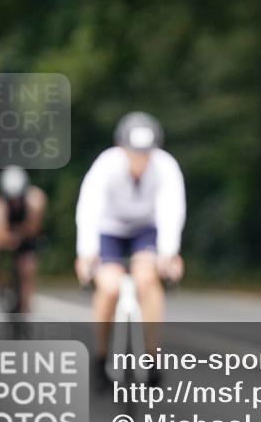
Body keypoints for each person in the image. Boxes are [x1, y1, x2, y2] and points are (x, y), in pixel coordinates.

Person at [74, 111, 185, 386]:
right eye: (134, 152)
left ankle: (153, 357)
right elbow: (89, 208)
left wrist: (169, 254)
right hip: (109, 229)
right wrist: (86, 254)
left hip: (145, 230)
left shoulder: (165, 166)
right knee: (109, 287)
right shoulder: (106, 165)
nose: (140, 159)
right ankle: (101, 357)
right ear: (122, 148)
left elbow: (171, 209)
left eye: (145, 153)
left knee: (147, 279)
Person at [0, 165, 48, 313]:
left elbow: (34, 228)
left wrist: (18, 235)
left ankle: (25, 307)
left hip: (26, 238)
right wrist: (8, 238)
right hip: (7, 237)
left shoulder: (36, 199)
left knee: (28, 268)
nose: (15, 202)